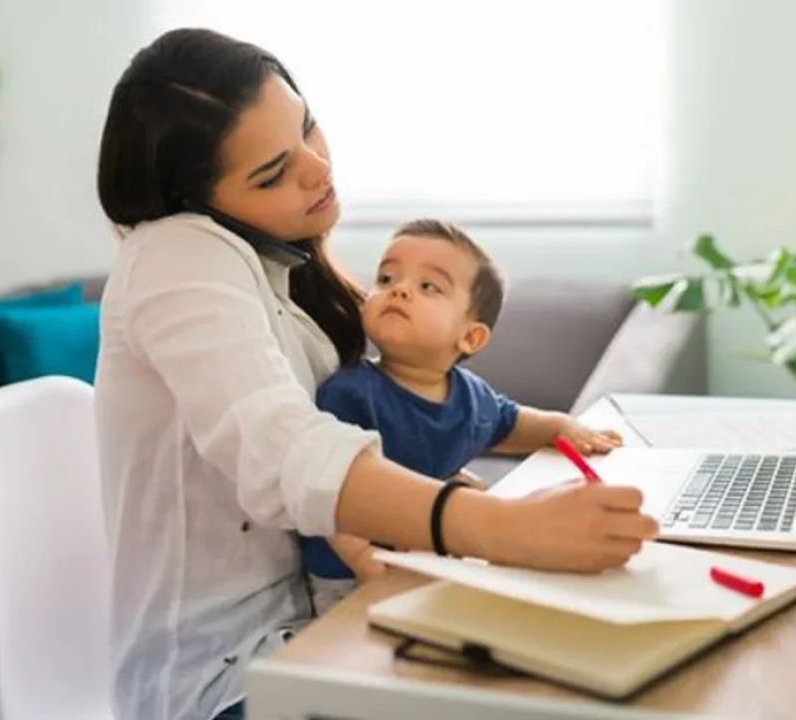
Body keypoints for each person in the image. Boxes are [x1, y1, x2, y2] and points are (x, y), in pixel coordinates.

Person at [94, 28, 659, 720]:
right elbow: (282, 448)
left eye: (307, 127)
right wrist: (494, 526)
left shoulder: (279, 268)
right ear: (197, 201)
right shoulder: (176, 256)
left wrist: (446, 489)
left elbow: (406, 423)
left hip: (335, 620)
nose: (316, 168)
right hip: (224, 679)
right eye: (272, 173)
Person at [301, 219, 624, 613]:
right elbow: (333, 490)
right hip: (348, 574)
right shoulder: (349, 392)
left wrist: (563, 427)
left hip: (435, 553)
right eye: (386, 278)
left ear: (470, 337)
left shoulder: (470, 396)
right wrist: (363, 560)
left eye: (428, 287)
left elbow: (513, 424)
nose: (398, 289)